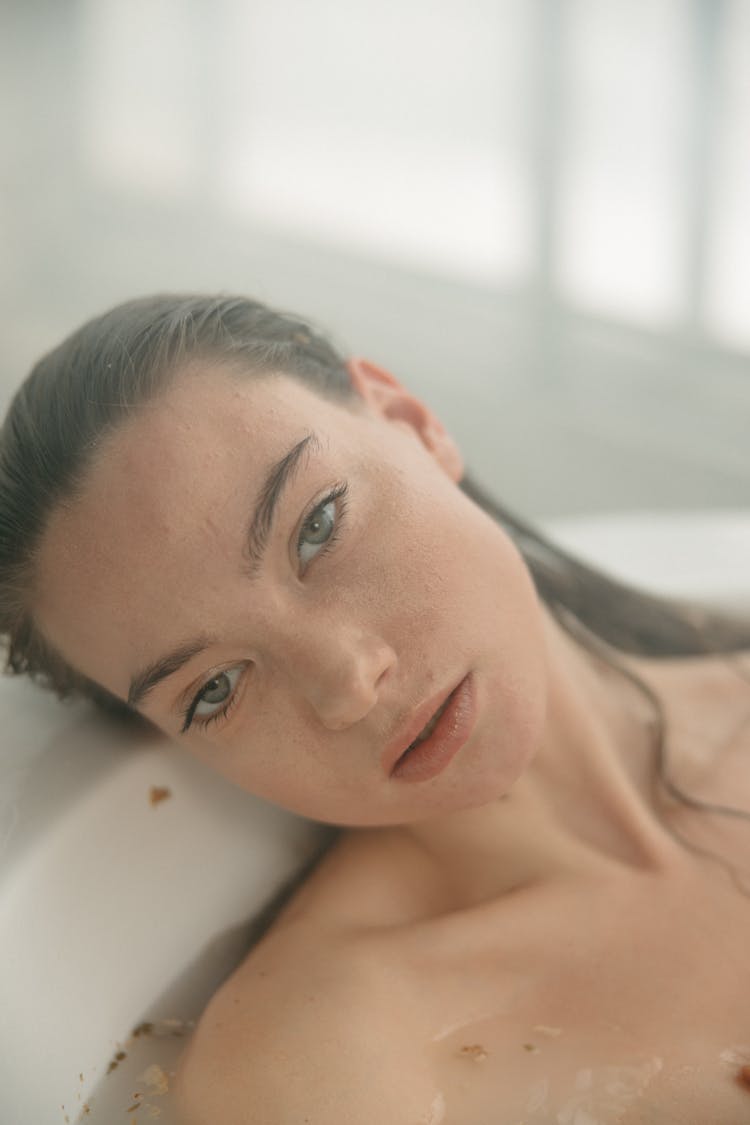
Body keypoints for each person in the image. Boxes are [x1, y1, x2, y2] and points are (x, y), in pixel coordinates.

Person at [1, 294, 750, 1125]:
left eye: (318, 527)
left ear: (412, 421)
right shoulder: (327, 1059)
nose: (348, 684)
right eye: (215, 688)